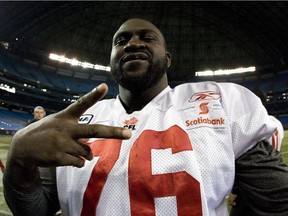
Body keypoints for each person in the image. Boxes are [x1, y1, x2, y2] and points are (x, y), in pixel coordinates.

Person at [3, 18, 288, 216]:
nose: (133, 43)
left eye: (147, 38)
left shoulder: (219, 104)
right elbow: (35, 210)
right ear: (112, 58)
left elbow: (276, 201)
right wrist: (19, 163)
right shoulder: (74, 124)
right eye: (121, 40)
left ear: (167, 59)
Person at [228, 88, 285, 215]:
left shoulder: (252, 126)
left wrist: (235, 190)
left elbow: (247, 160)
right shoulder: (276, 123)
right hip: (272, 175)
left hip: (253, 183)